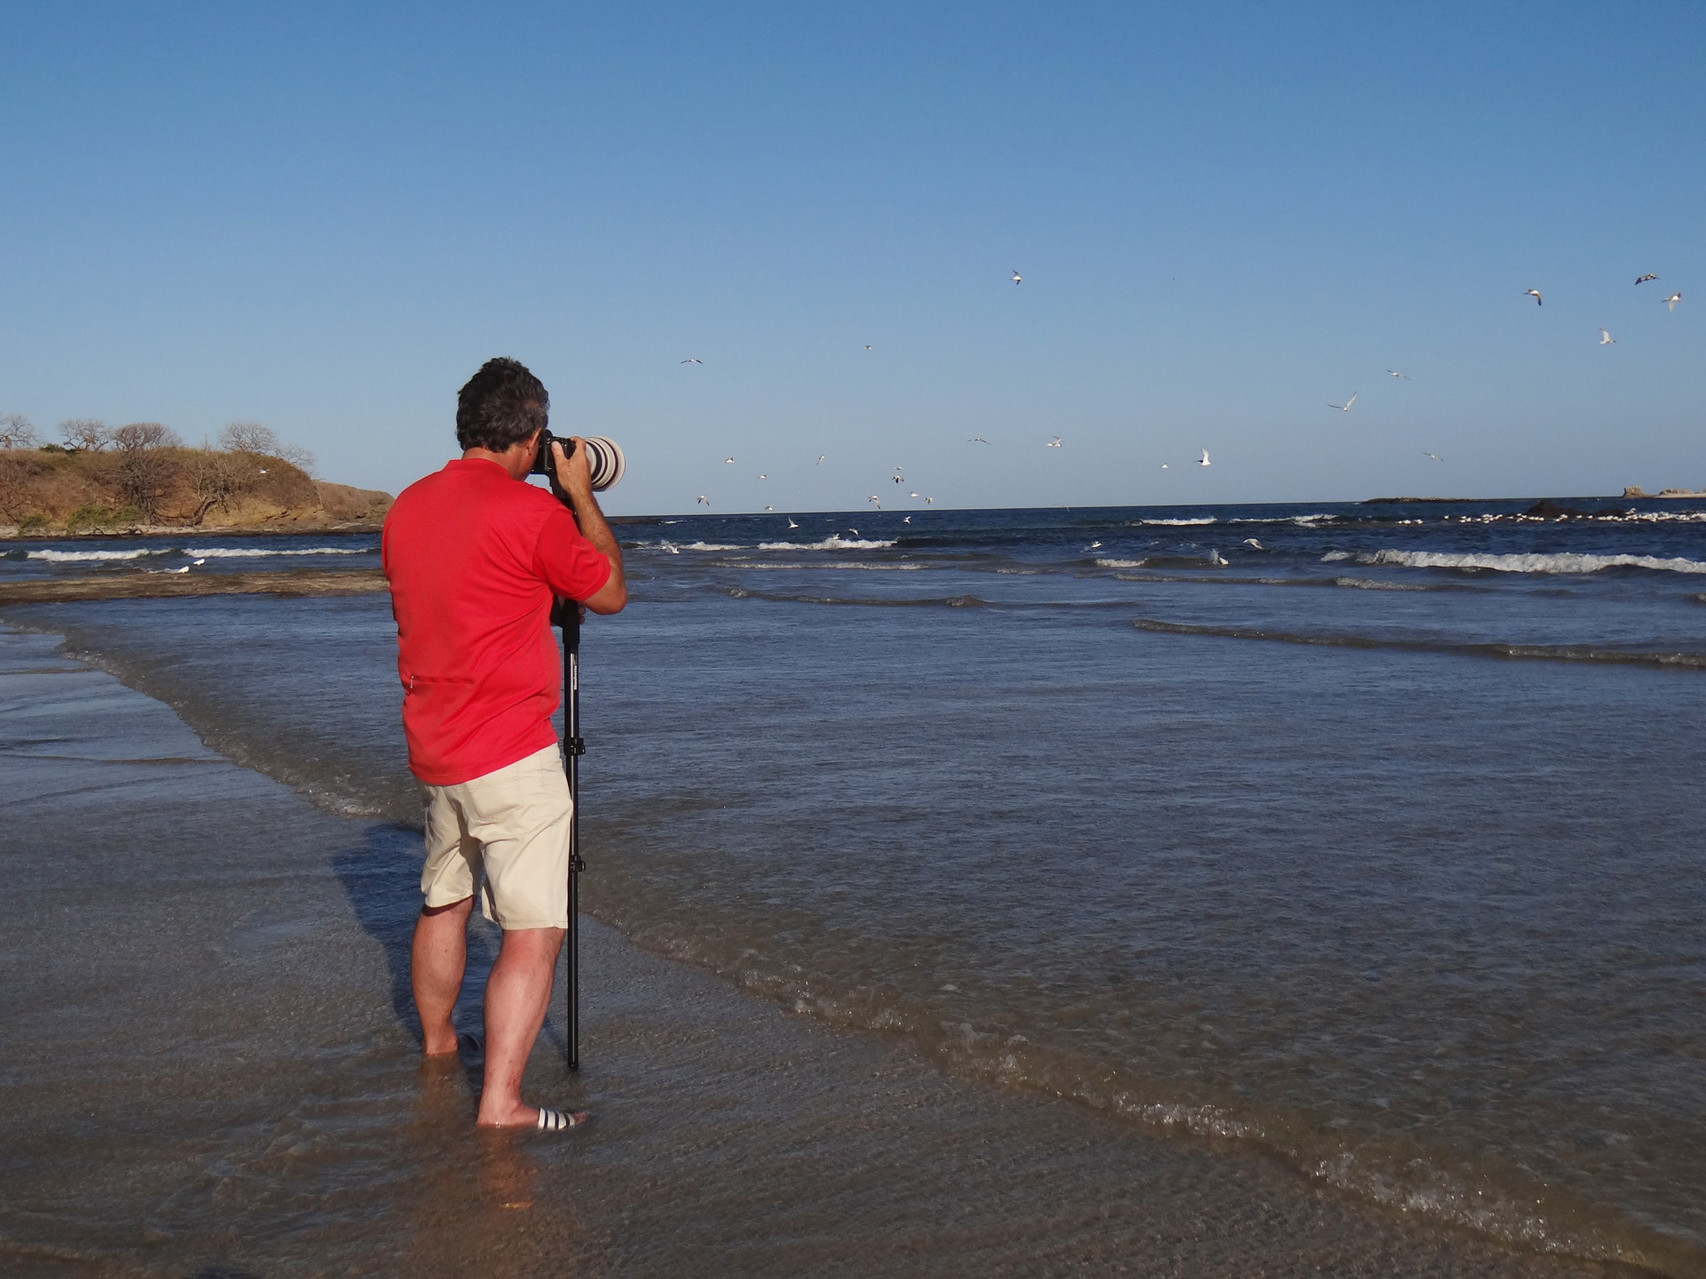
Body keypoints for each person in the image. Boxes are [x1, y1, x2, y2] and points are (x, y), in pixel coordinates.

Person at [381, 356, 626, 1130]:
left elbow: (469, 594)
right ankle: (502, 1103)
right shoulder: (533, 515)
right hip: (511, 751)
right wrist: (580, 492)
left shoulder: (407, 508)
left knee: (443, 900)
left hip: (435, 744)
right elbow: (609, 590)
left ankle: (438, 1044)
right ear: (529, 433)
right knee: (534, 929)